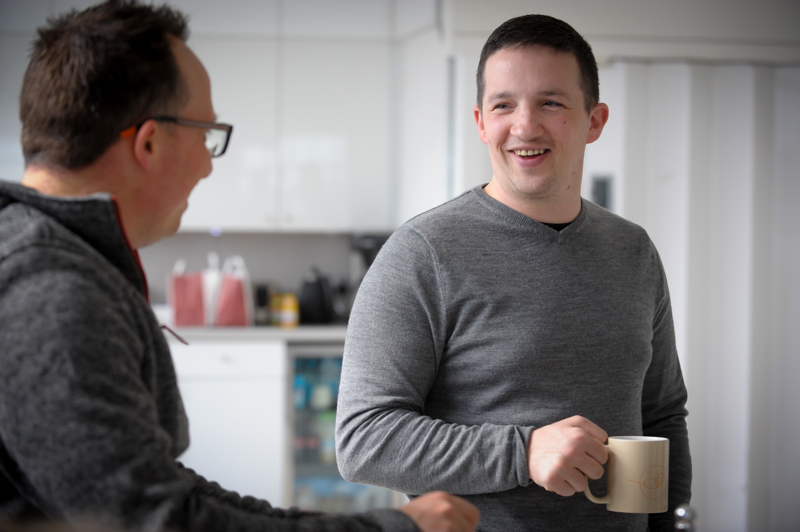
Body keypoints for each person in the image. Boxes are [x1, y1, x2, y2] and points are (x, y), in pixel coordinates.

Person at [0, 1, 480, 531]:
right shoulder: (51, 290)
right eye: (207, 135)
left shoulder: (53, 258)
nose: (209, 163)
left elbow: (165, 490)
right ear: (150, 142)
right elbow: (159, 521)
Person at [335, 13, 691, 532]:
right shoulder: (421, 254)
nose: (524, 127)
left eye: (551, 102)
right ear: (481, 122)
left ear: (595, 121)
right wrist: (523, 452)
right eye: (504, 105)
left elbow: (662, 416)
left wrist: (673, 524)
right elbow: (363, 440)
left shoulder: (633, 251)